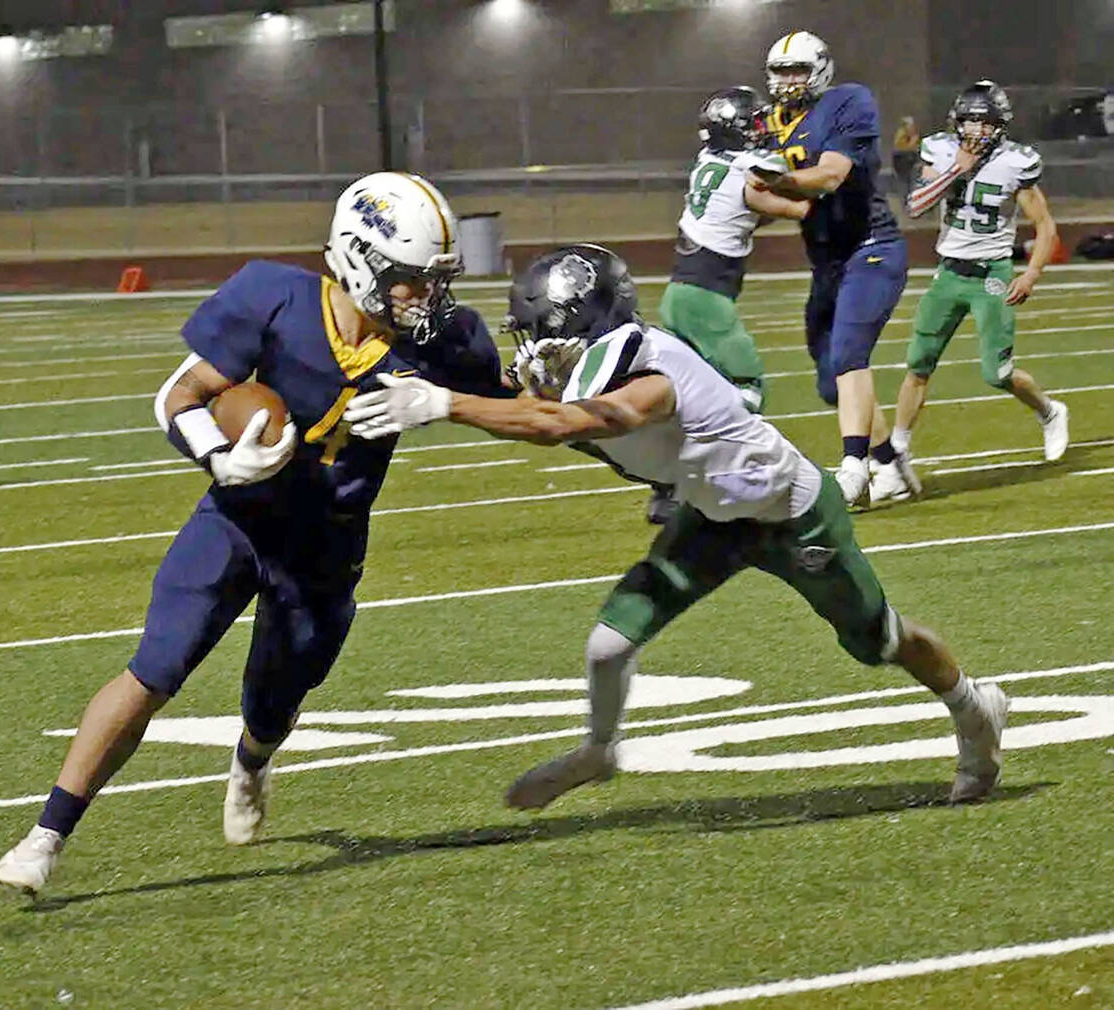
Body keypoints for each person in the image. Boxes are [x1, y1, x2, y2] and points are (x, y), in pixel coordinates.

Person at [344, 243, 1010, 811]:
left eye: (545, 335)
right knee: (608, 645)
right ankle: (599, 750)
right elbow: (530, 409)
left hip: (792, 515)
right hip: (711, 518)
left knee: (881, 639)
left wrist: (446, 404)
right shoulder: (597, 367)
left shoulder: (652, 377)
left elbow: (558, 424)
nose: (536, 353)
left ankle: (974, 709)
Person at [0, 172, 508, 895]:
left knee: (275, 701)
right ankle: (45, 835)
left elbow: (517, 407)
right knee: (154, 669)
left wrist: (460, 403)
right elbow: (180, 395)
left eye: (434, 281)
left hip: (326, 547)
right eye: (412, 279)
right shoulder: (275, 296)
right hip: (239, 520)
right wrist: (220, 457)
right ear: (360, 259)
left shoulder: (444, 342)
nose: (427, 297)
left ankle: (252, 760)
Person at [751, 30, 918, 508]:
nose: (789, 81)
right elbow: (771, 202)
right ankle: (890, 464)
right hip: (826, 262)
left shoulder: (848, 102)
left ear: (820, 70)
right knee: (832, 382)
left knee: (848, 354)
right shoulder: (770, 123)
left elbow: (830, 176)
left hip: (872, 248)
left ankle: (853, 467)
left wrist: (777, 181)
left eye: (798, 71)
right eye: (781, 72)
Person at [645, 86, 811, 524]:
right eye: (753, 123)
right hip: (706, 300)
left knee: (684, 397)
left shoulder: (708, 161)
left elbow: (747, 207)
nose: (761, 129)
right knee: (746, 388)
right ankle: (723, 477)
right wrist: (813, 207)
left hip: (680, 294)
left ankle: (667, 487)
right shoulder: (745, 167)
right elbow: (767, 199)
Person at [897, 81, 1069, 466]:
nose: (976, 131)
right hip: (949, 272)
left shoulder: (1014, 161)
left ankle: (1049, 411)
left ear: (1000, 125)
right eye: (970, 122)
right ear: (956, 122)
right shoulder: (940, 150)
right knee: (918, 363)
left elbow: (1045, 226)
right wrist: (956, 170)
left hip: (992, 274)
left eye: (985, 123)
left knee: (997, 373)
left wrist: (1030, 274)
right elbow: (916, 207)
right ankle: (897, 452)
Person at [892, 116, 921, 193]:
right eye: (911, 125)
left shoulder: (903, 133)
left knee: (907, 180)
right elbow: (906, 147)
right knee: (906, 180)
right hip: (904, 158)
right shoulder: (903, 134)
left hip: (904, 158)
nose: (913, 127)